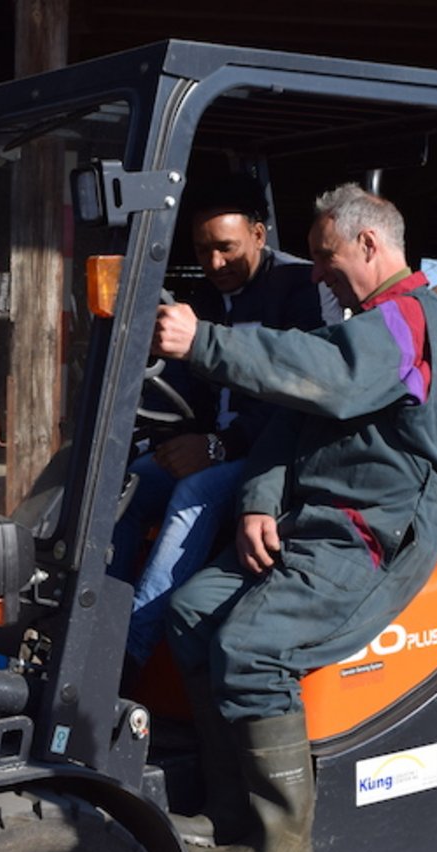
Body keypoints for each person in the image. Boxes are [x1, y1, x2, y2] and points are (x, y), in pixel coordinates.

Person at [150, 183, 437, 852]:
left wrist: (204, 340)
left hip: (371, 538)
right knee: (193, 612)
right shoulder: (363, 321)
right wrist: (258, 501)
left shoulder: (407, 321)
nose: (317, 273)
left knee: (251, 648)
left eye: (325, 258)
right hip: (312, 524)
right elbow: (291, 418)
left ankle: (279, 851)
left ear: (369, 244)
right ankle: (230, 813)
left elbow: (324, 376)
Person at [110, 174, 340, 670]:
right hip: (216, 442)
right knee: (122, 485)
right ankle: (95, 624)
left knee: (194, 493)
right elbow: (188, 385)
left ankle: (127, 655)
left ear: (259, 235)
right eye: (202, 249)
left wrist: (219, 445)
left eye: (226, 248)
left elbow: (302, 397)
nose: (214, 263)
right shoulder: (205, 297)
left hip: (271, 458)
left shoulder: (303, 290)